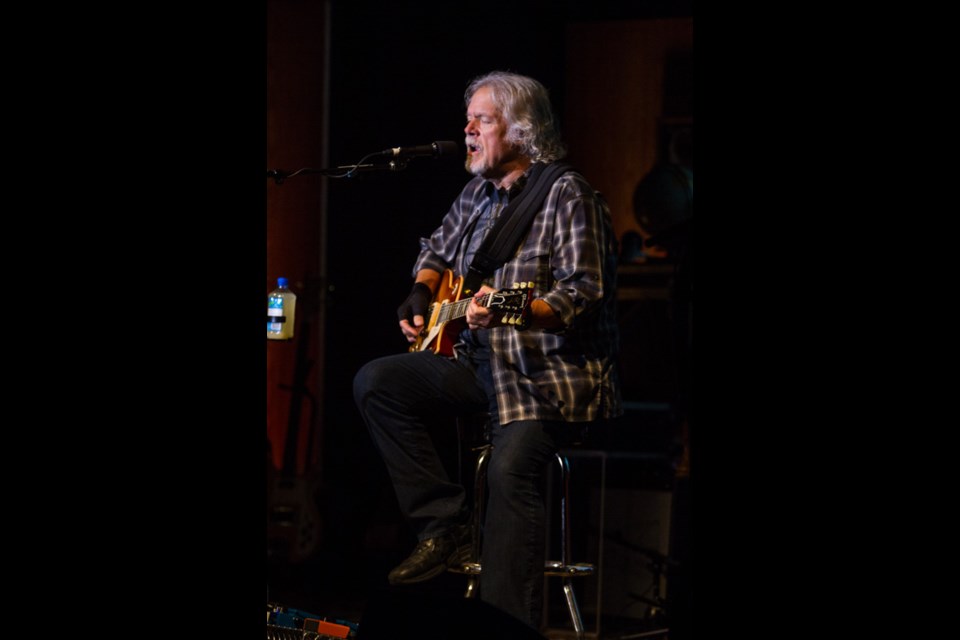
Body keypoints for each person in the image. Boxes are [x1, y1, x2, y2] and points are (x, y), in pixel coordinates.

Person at [353, 70, 622, 630]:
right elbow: (436, 247)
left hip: (546, 378)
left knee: (509, 472)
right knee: (378, 381)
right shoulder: (475, 194)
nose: (468, 129)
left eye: (483, 119)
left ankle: (507, 627)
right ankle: (442, 526)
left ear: (522, 131)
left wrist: (509, 307)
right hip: (482, 367)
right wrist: (422, 291)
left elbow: (584, 293)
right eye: (468, 118)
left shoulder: (568, 195)